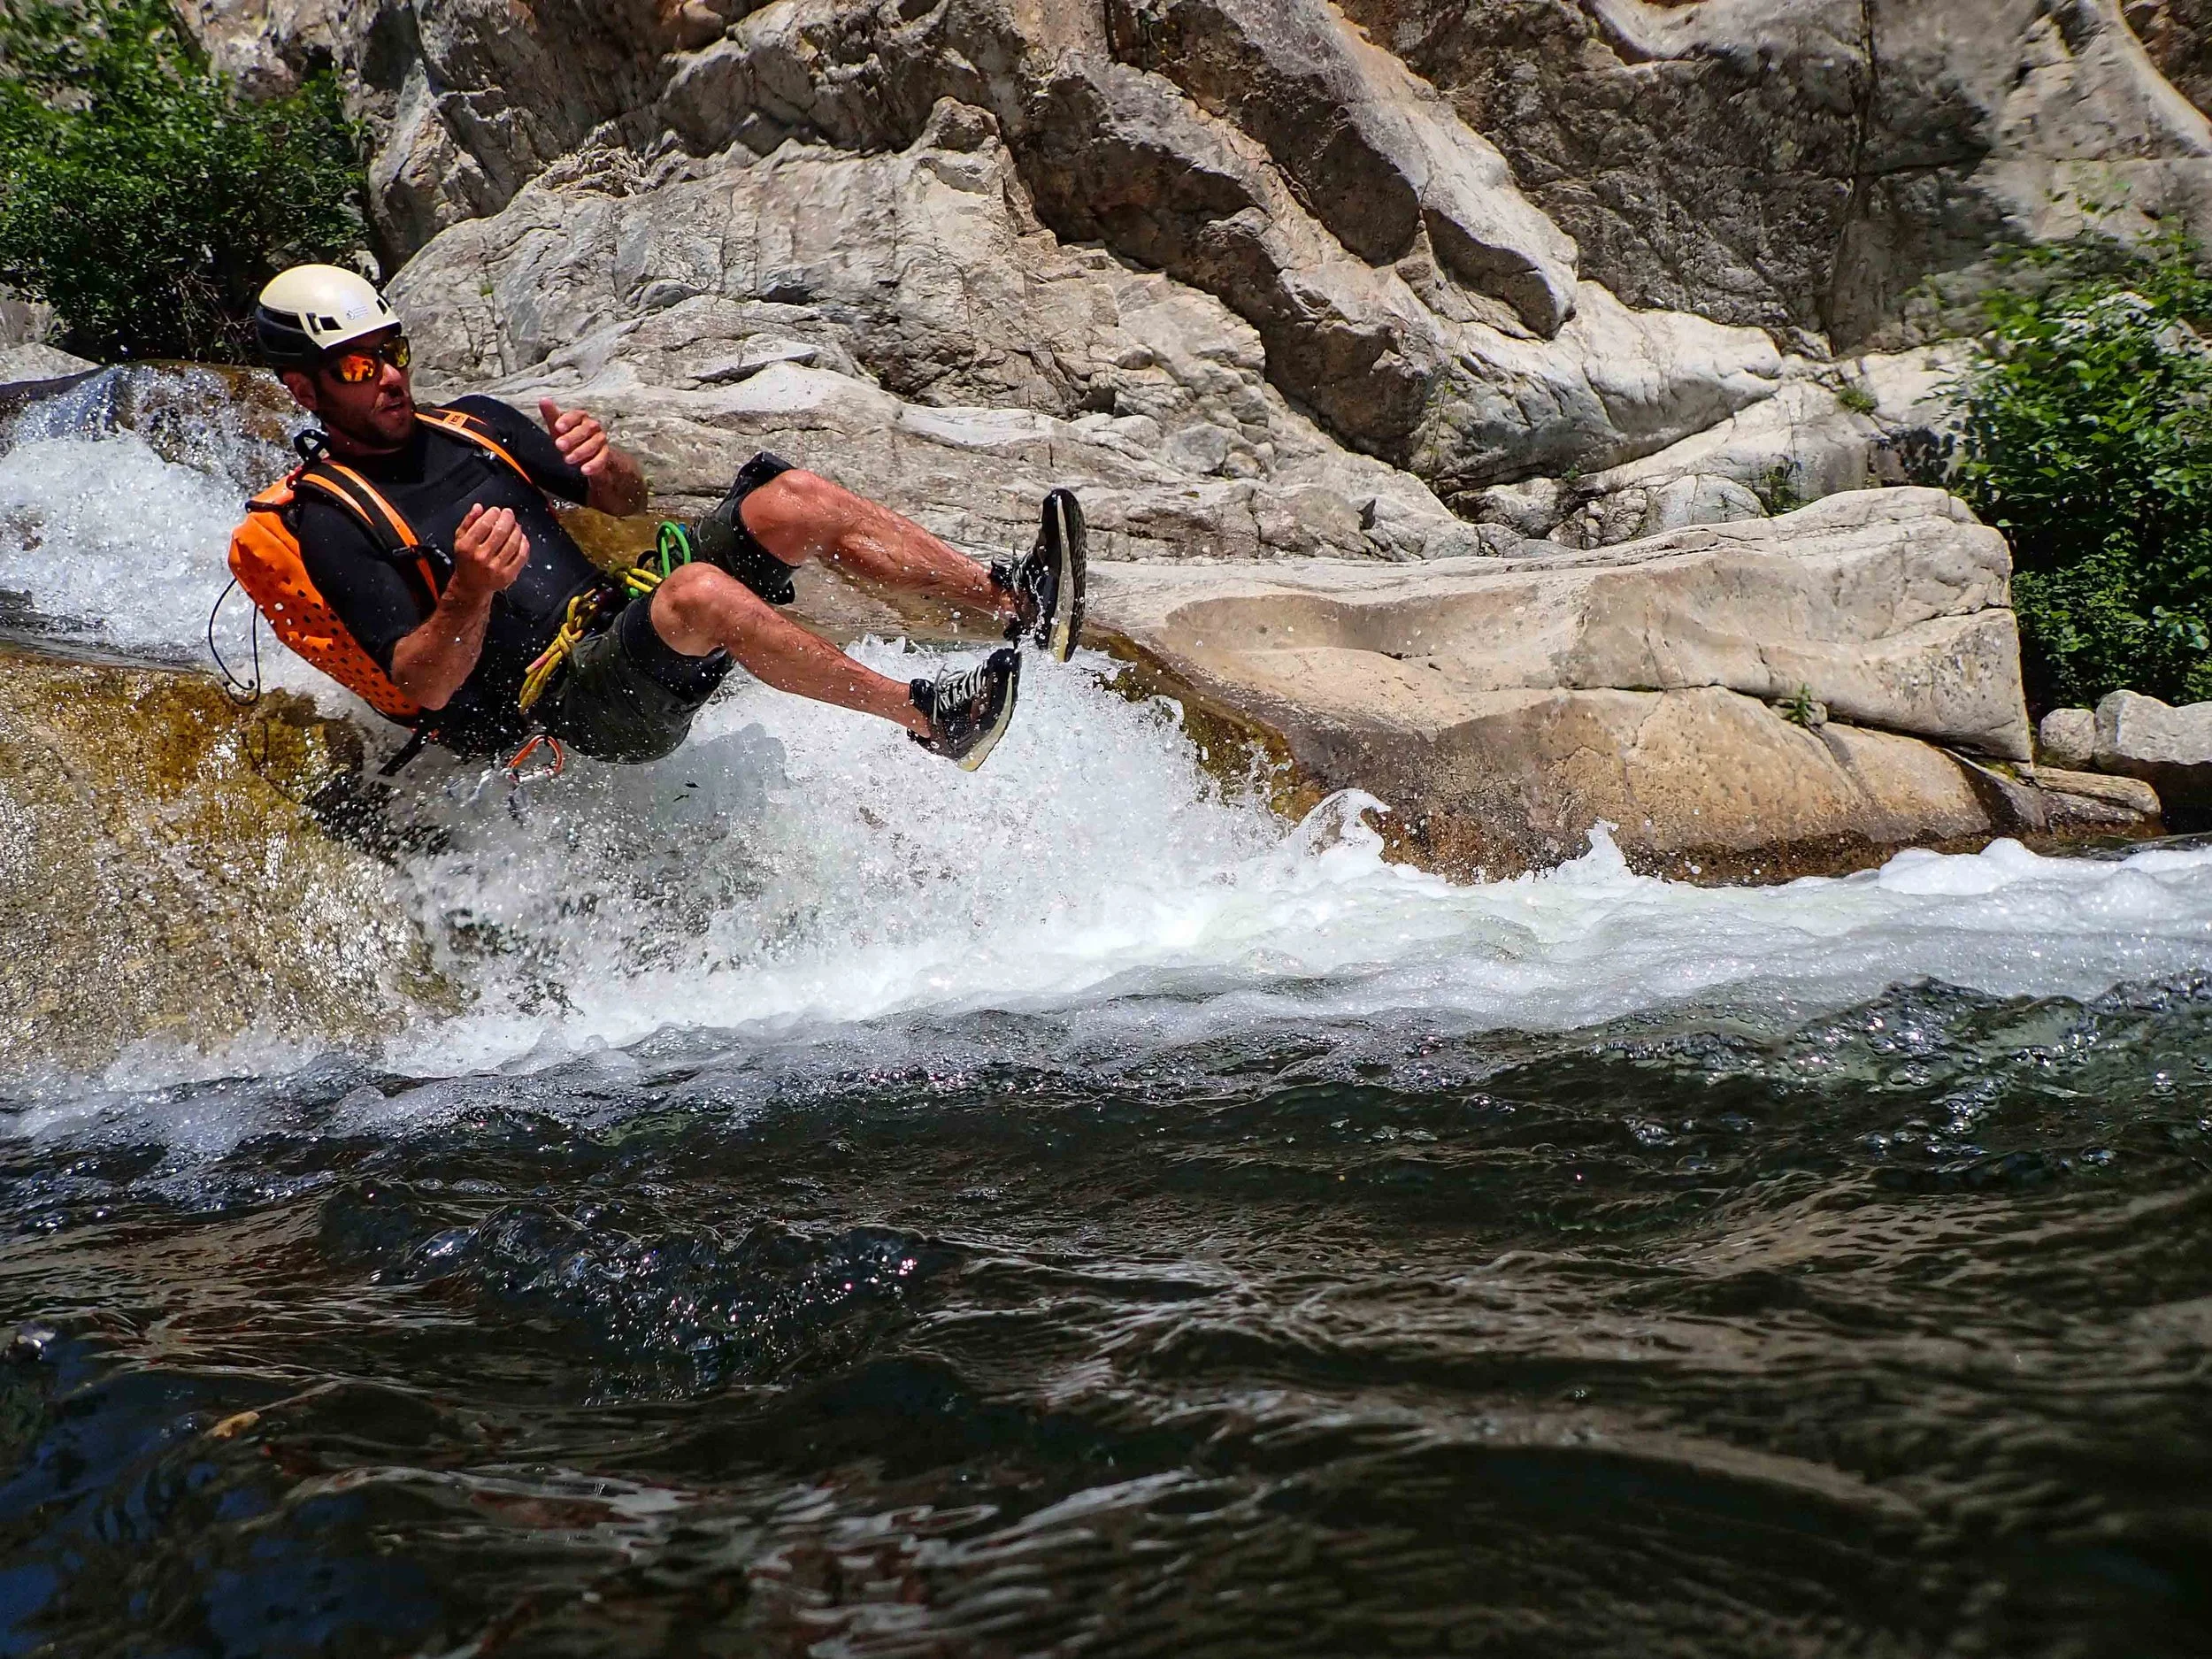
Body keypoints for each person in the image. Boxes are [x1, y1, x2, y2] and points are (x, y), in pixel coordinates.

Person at [236, 264, 1085, 773]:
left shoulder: (474, 422)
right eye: (355, 364)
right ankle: (931, 716)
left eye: (392, 350)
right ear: (305, 389)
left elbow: (624, 503)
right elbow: (422, 681)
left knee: (790, 499)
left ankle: (1017, 603)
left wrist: (611, 467)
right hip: (564, 709)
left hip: (622, 627)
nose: (385, 375)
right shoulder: (333, 519)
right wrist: (470, 592)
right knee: (701, 594)